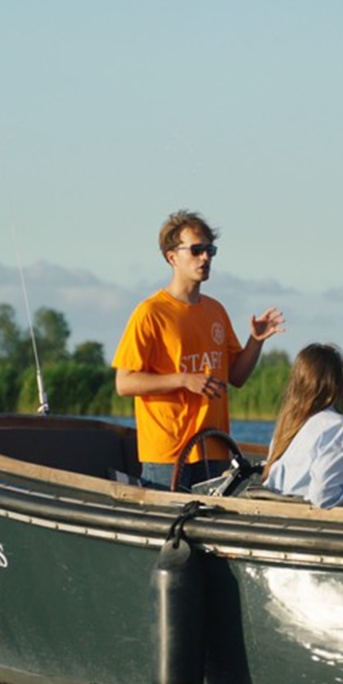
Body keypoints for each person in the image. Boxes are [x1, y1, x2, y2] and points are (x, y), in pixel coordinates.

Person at [113, 210, 285, 490]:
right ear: (172, 257)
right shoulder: (150, 313)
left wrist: (256, 341)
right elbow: (124, 382)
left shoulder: (216, 311)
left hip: (214, 449)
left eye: (210, 250)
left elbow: (237, 377)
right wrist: (183, 379)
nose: (205, 257)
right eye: (196, 250)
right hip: (168, 455)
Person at [263, 343, 343, 508]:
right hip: (307, 520)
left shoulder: (286, 427)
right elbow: (323, 496)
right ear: (337, 383)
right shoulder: (341, 428)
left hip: (279, 513)